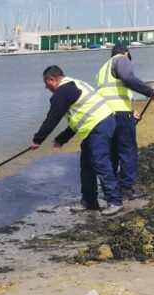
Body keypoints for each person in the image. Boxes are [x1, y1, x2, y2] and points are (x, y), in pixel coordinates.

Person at [30, 64, 122, 216]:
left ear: (52, 79)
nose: (46, 87)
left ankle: (114, 201)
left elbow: (52, 119)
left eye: (46, 83)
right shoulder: (74, 85)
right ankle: (89, 201)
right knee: (87, 165)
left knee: (100, 162)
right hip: (97, 125)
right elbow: (79, 118)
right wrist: (62, 139)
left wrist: (37, 140)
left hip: (99, 125)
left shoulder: (62, 93)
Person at [95, 42, 154, 199]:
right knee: (128, 150)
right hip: (121, 115)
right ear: (126, 53)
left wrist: (131, 111)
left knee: (112, 152)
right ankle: (126, 188)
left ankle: (110, 189)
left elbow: (110, 94)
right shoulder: (121, 59)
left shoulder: (102, 70)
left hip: (105, 115)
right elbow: (127, 77)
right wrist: (149, 91)